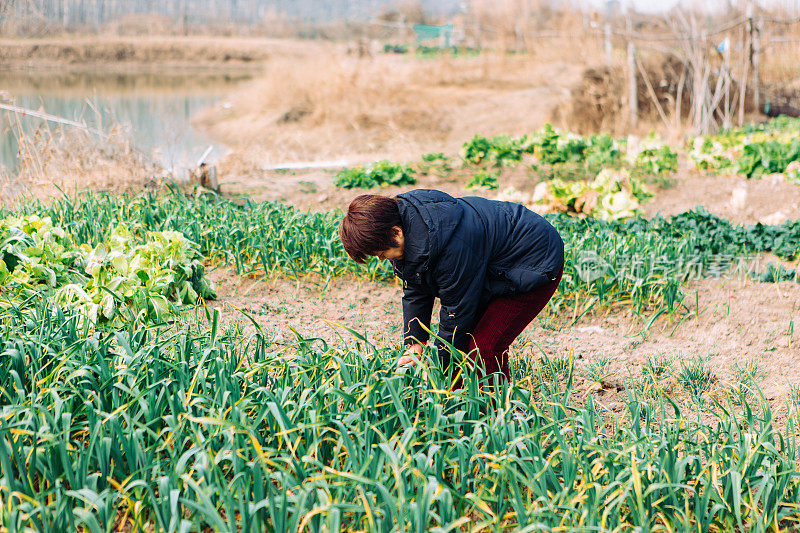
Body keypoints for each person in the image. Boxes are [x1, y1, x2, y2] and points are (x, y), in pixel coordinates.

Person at [339, 189, 564, 385]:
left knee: (484, 347)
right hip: (492, 266)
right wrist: (414, 344)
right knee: (462, 345)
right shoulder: (406, 227)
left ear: (396, 233)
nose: (381, 259)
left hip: (533, 262)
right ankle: (456, 402)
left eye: (381, 254)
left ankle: (495, 416)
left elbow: (457, 312)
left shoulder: (450, 246)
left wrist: (440, 368)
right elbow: (416, 290)